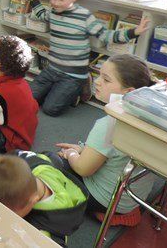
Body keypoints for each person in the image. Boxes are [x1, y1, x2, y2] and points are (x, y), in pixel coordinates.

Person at [25, 0, 149, 116]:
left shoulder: (84, 16)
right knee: (26, 99)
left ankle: (80, 87)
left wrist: (134, 32)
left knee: (50, 110)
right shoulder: (52, 12)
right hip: (52, 68)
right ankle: (58, 90)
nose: (56, 3)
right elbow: (42, 14)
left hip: (73, 75)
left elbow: (106, 35)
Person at [56, 54, 156, 227]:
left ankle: (105, 214)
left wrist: (71, 153)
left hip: (107, 200)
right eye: (99, 75)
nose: (97, 82)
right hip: (132, 197)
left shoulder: (109, 124)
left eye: (106, 79)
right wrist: (83, 149)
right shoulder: (148, 115)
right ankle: (122, 212)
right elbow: (114, 154)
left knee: (51, 162)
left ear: (129, 92)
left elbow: (82, 169)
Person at [0, 151, 88, 246]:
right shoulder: (38, 165)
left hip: (60, 225)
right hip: (62, 183)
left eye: (12, 212)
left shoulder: (44, 231)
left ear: (33, 201)